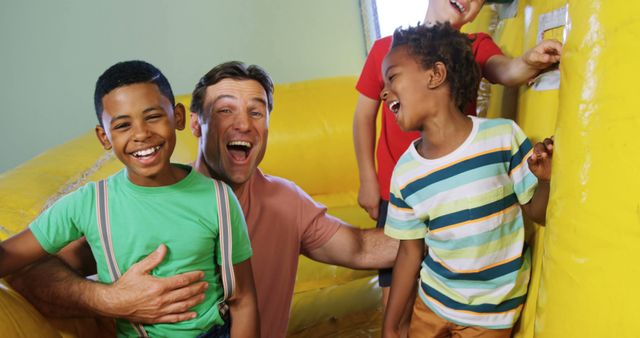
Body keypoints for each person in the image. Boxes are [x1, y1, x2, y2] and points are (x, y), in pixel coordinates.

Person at [9, 61, 398, 338]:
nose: (243, 124)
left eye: (256, 112)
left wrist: (450, 220)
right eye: (225, 110)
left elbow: (363, 248)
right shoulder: (135, 204)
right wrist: (110, 300)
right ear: (194, 123)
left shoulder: (284, 201)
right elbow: (29, 270)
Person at [0, 60, 259, 338]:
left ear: (179, 117)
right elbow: (10, 257)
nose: (141, 134)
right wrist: (108, 299)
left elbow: (243, 301)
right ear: (104, 137)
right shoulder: (89, 203)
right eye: (123, 125)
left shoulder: (218, 198)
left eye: (153, 116)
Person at [353, 0, 562, 310]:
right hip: (399, 192)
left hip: (451, 190)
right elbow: (363, 117)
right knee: (398, 290)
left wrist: (529, 61)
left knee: (442, 277)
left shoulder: (472, 47)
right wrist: (367, 178)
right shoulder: (387, 51)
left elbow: (505, 70)